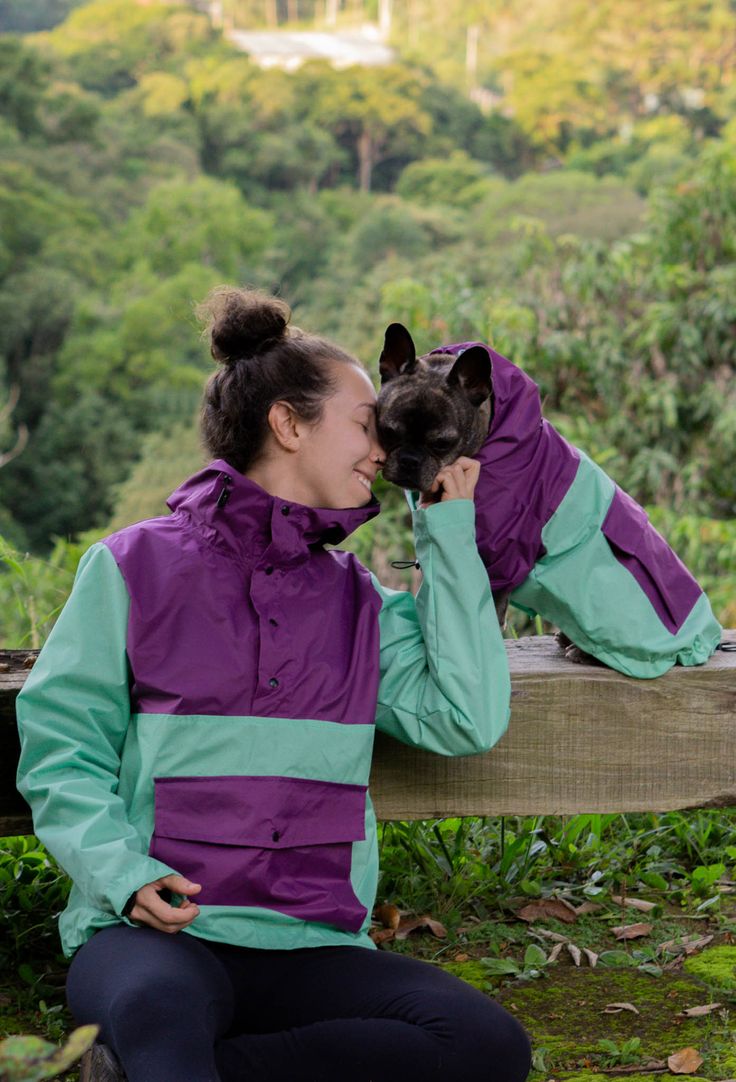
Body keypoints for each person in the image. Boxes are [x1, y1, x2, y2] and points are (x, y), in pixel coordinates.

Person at [16, 289, 530, 1082]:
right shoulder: (130, 567)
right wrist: (124, 876)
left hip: (311, 944)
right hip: (157, 937)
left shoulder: (360, 600)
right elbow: (62, 751)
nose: (385, 446)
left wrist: (448, 527)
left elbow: (466, 717)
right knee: (161, 1014)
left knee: (487, 1045)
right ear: (288, 424)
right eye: (368, 422)